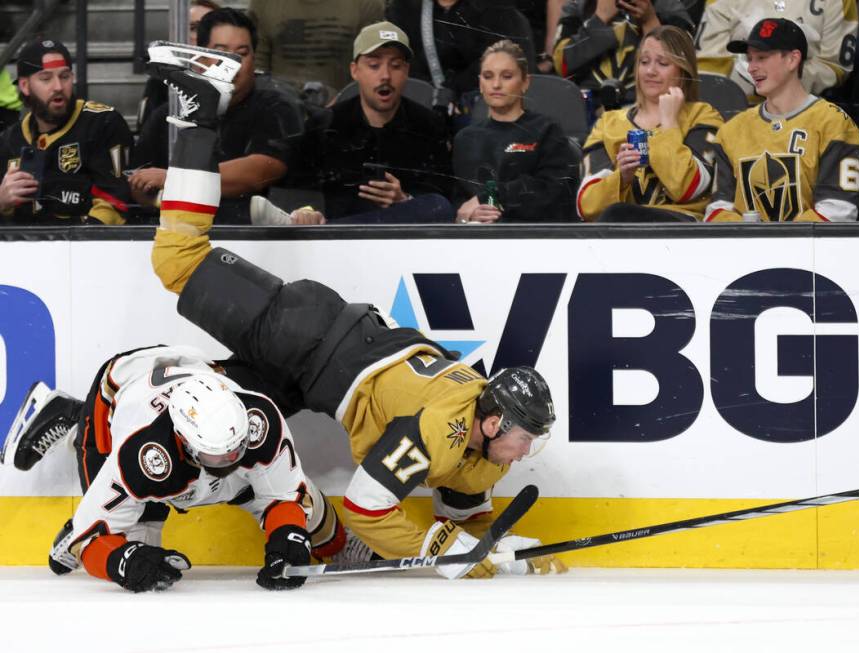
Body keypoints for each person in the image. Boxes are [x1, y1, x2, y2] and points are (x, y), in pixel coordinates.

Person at [141, 40, 567, 578]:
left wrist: (502, 550)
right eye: (526, 438)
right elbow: (367, 506)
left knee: (224, 404)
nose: (528, 451)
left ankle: (78, 413)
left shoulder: (483, 450)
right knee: (177, 258)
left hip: (312, 367)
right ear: (496, 421)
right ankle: (201, 106)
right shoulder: (446, 428)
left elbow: (465, 513)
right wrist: (441, 550)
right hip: (308, 336)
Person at [3, 345, 345, 592]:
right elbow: (87, 542)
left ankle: (342, 545)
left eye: (237, 449)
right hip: (118, 392)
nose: (231, 461)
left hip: (193, 371)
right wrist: (122, 561)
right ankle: (72, 416)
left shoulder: (259, 419)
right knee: (135, 543)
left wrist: (288, 536)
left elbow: (288, 493)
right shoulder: (141, 455)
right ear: (184, 442)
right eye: (218, 457)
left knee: (306, 505)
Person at [129, 8, 304, 224]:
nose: (232, 64)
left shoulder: (277, 107)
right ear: (199, 57)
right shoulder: (167, 114)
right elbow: (140, 183)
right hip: (177, 234)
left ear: (254, 59)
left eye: (241, 53)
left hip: (255, 235)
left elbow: (260, 172)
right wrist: (147, 190)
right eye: (220, 52)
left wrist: (173, 179)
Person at [285, 22, 454, 226]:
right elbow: (298, 190)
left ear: (407, 71)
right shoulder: (324, 124)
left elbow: (442, 200)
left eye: (396, 65)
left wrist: (404, 199)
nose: (385, 75)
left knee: (438, 205)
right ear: (355, 70)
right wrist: (307, 211)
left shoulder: (429, 124)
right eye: (374, 65)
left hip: (406, 242)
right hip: (336, 247)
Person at [704, 18, 859, 223]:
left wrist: (777, 241)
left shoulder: (833, 123)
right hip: (745, 252)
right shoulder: (731, 131)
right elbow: (717, 210)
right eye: (749, 59)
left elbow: (837, 212)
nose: (751, 68)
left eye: (761, 58)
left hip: (809, 252)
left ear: (792, 59)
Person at [577, 25, 722, 222]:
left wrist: (669, 123)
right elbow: (586, 205)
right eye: (644, 62)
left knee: (618, 215)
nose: (650, 71)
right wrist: (622, 178)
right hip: (622, 227)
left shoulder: (703, 116)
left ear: (683, 71)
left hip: (682, 230)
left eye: (663, 63)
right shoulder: (608, 123)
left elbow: (687, 188)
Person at [0, 39, 132, 225]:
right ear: (25, 86)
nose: (58, 87)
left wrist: (78, 244)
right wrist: (2, 202)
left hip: (86, 247)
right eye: (46, 78)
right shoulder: (9, 139)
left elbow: (115, 201)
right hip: (26, 250)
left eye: (65, 76)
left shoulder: (103, 122)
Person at [452, 39, 580, 223]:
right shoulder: (464, 138)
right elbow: (458, 200)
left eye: (507, 76)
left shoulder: (547, 129)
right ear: (480, 83)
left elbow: (552, 191)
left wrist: (490, 198)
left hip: (532, 237)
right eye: (488, 76)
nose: (496, 85)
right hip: (476, 237)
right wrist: (465, 215)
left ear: (525, 82)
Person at [695, 0, 858, 101]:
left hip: (803, 103)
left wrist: (788, 78)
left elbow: (834, 65)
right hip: (732, 105)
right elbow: (708, 63)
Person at [386, 0, 537, 108]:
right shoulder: (404, 8)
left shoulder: (499, 8)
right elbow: (400, 61)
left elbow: (512, 65)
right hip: (423, 107)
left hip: (485, 110)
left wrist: (453, 90)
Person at [553, 0, 694, 109]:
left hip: (650, 107)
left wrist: (650, 21)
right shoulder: (579, 6)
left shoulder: (667, 6)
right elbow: (562, 66)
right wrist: (600, 18)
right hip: (587, 108)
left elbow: (685, 67)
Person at [249, 0, 384, 100]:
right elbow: (257, 70)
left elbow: (372, 68)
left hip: (344, 111)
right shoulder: (263, 4)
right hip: (278, 110)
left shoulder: (367, 4)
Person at [135, 0, 221, 133]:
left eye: (210, 28)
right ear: (179, 35)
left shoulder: (237, 79)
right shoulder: (160, 81)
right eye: (194, 28)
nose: (203, 36)